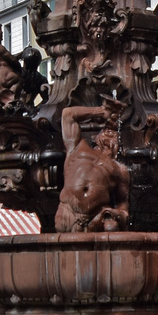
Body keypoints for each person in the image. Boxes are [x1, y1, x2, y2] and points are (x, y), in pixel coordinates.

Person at [54, 97, 130, 232]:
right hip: (67, 213)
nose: (110, 137)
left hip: (94, 220)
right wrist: (100, 112)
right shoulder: (77, 148)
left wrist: (115, 215)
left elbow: (123, 206)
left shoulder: (120, 170)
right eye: (106, 133)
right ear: (96, 138)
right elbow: (67, 115)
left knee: (112, 227)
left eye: (114, 136)